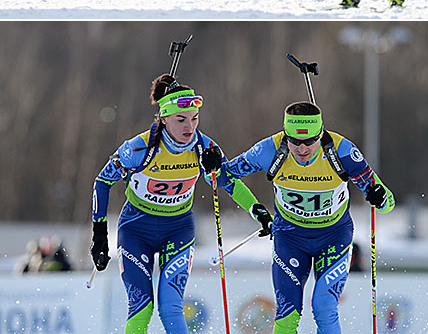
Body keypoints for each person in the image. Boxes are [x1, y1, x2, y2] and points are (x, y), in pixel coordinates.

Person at [90, 74, 272, 334]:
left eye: (195, 119)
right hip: (136, 230)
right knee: (141, 307)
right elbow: (102, 182)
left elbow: (230, 182)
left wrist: (259, 212)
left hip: (178, 230)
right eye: (181, 120)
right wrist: (99, 235)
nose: (190, 127)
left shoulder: (203, 148)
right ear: (163, 119)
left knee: (171, 306)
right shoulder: (139, 149)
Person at [210, 100, 394, 334]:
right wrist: (255, 209)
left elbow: (388, 202)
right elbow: (220, 177)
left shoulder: (343, 152)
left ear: (321, 134)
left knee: (324, 307)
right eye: (294, 141)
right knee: (287, 316)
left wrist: (380, 197)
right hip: (290, 239)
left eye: (310, 141)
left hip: (333, 237)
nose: (302, 148)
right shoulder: (269, 150)